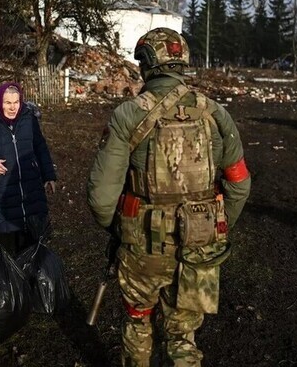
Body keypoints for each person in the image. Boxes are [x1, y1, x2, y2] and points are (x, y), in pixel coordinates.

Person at [87, 27, 251, 367]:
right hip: (199, 248)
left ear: (146, 64)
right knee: (183, 334)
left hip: (143, 246)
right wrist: (215, 228)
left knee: (137, 320)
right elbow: (239, 184)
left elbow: (102, 198)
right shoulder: (217, 115)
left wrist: (117, 229)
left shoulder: (128, 115)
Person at [0, 81, 57, 254]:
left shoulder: (29, 118)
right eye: (7, 103)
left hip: (31, 188)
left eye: (16, 102)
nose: (13, 108)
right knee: (5, 246)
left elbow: (40, 146)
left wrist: (48, 174)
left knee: (33, 245)